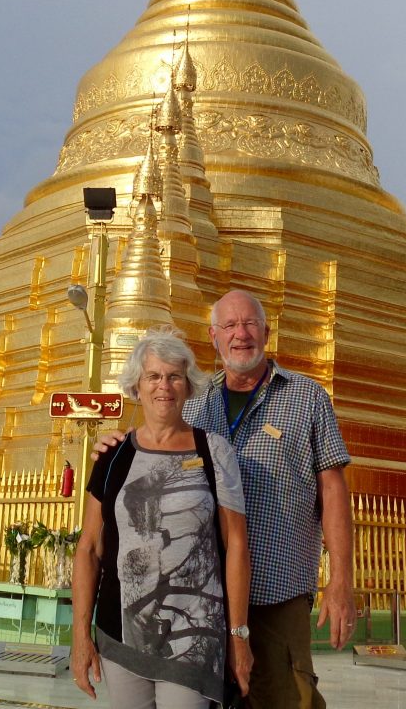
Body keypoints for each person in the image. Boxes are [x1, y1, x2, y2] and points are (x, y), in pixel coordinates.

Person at [93, 291, 356, 709]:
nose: (241, 335)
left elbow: (333, 491)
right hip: (200, 600)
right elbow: (154, 446)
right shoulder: (196, 402)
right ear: (214, 338)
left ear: (266, 332)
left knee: (286, 699)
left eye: (249, 324)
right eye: (229, 327)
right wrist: (116, 447)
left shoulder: (307, 398)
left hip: (275, 591)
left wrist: (340, 582)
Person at [72, 329, 253, 707]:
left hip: (195, 630)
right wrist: (79, 636)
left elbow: (236, 543)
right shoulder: (113, 456)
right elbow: (88, 548)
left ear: (187, 387)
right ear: (137, 386)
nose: (163, 386)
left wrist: (238, 635)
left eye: (173, 376)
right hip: (122, 631)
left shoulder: (214, 451)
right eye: (153, 376)